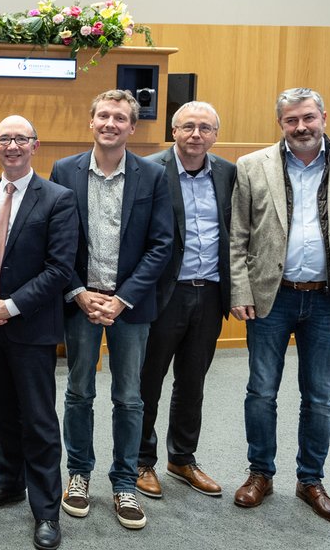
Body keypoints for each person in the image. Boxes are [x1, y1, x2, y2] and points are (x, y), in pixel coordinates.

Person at [230, 88, 330, 525]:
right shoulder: (252, 166)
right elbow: (237, 235)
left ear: (323, 117)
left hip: (328, 299)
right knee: (261, 391)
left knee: (319, 397)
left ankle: (310, 480)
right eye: (291, 120)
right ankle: (260, 474)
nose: (301, 127)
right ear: (279, 123)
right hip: (270, 298)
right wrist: (240, 291)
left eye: (308, 118)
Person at [49, 90, 173, 531]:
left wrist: (122, 299)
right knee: (79, 391)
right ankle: (78, 475)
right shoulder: (64, 170)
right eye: (103, 115)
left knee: (129, 396)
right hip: (80, 300)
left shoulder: (153, 176)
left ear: (131, 127)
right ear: (91, 120)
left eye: (120, 118)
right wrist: (79, 291)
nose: (110, 123)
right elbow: (56, 239)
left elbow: (162, 245)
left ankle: (124, 482)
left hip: (130, 306)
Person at [0, 116, 76, 550]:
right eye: (4, 139)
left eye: (20, 139)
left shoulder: (58, 199)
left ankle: (46, 509)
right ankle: (9, 482)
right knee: (3, 412)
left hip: (30, 327)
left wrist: (10, 307)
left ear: (35, 145)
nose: (12, 145)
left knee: (39, 421)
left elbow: (60, 269)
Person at [136, 102, 235, 501]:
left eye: (205, 128)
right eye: (188, 127)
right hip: (164, 293)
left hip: (210, 292)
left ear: (215, 134)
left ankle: (182, 458)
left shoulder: (228, 173)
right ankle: (141, 460)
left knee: (192, 381)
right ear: (173, 130)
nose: (197, 135)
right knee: (148, 382)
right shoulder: (149, 169)